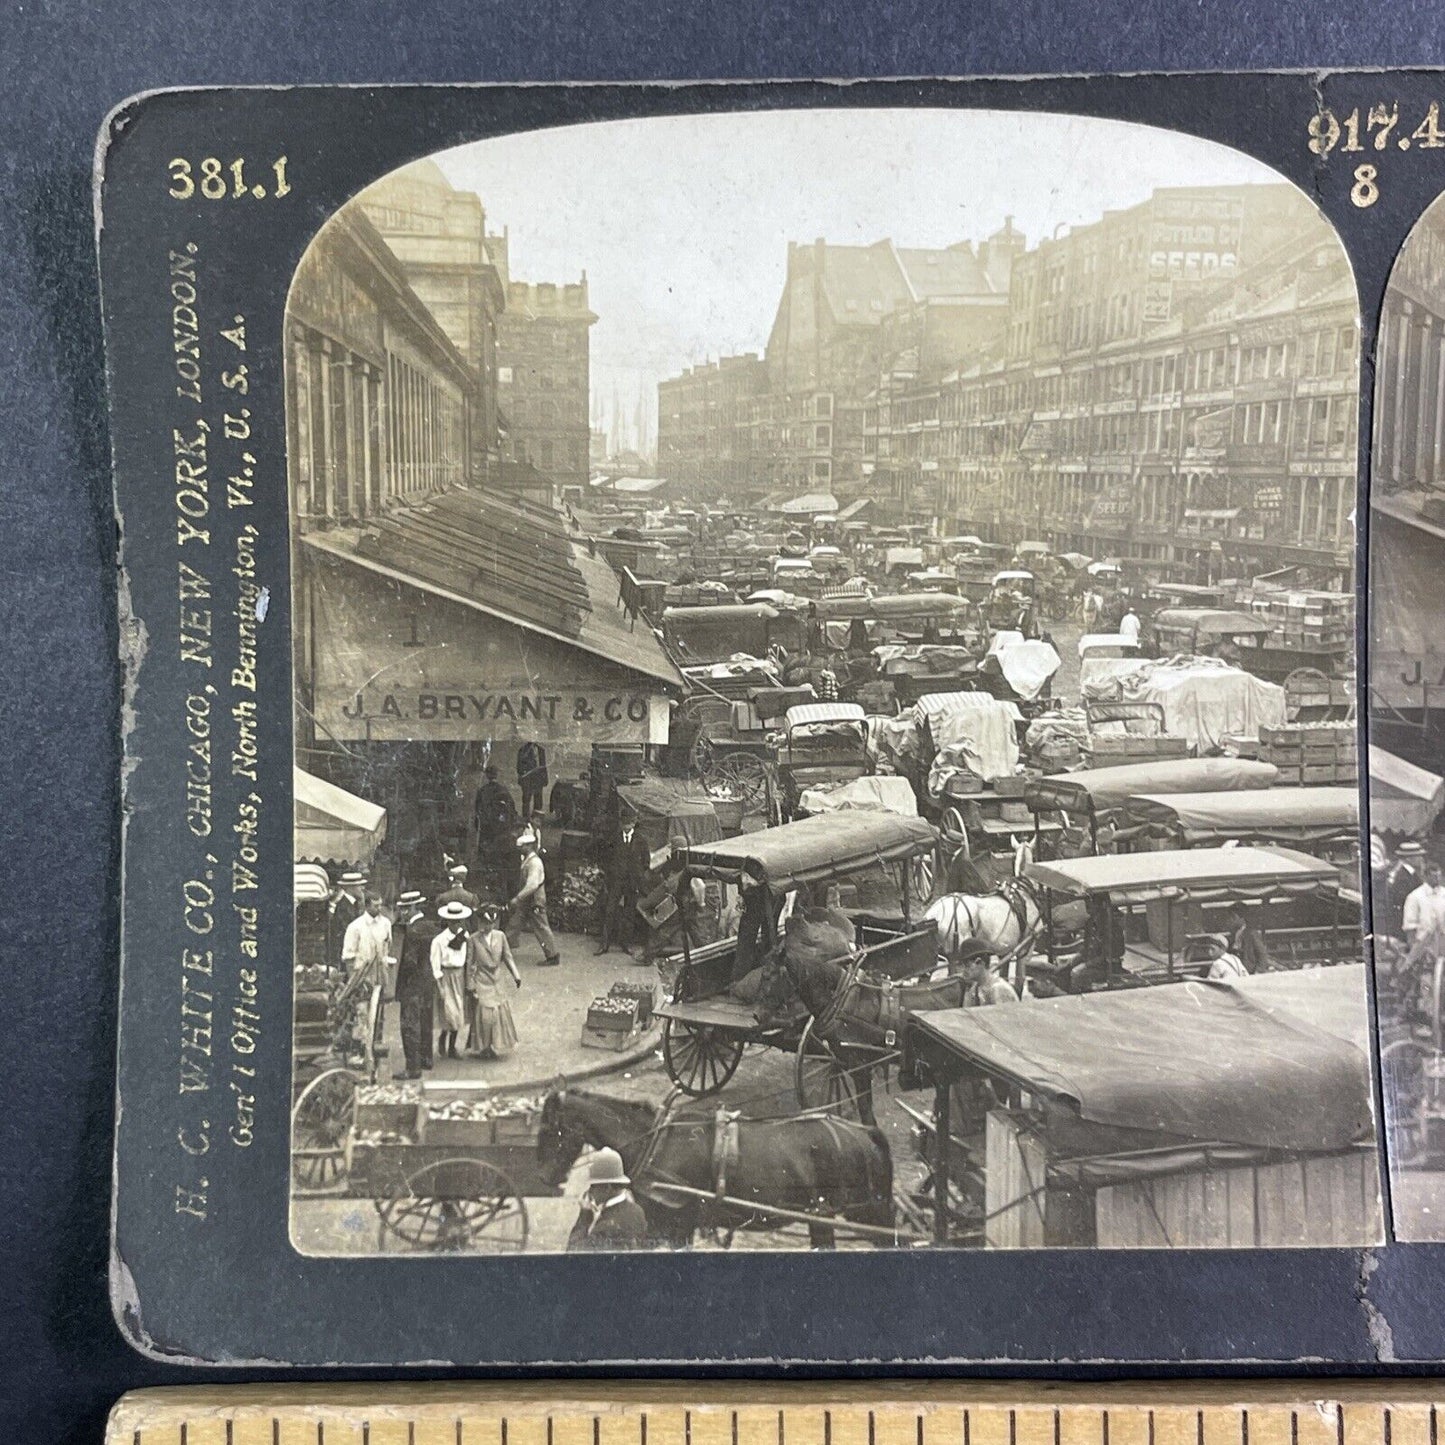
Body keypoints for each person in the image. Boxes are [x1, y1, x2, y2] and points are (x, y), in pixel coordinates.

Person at [565, 1147, 650, 1252]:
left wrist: (584, 1214)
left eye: (594, 1186)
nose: (590, 1191)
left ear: (607, 1188)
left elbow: (573, 1252)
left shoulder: (607, 1226)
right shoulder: (637, 1211)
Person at [467, 903, 522, 1059]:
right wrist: (470, 985)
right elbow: (470, 964)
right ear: (479, 922)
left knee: (498, 1015)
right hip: (482, 980)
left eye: (491, 923)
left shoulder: (500, 936)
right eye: (484, 923)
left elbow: (507, 956)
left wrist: (516, 975)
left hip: (497, 980)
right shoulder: (473, 939)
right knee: (485, 1016)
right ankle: (484, 1047)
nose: (487, 926)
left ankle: (494, 1045)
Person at [393, 890, 437, 1079]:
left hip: (412, 984)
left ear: (412, 908)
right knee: (426, 1020)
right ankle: (427, 1059)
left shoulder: (412, 931)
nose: (402, 913)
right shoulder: (430, 926)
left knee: (410, 1024)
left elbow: (410, 962)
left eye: (404, 910)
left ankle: (413, 1067)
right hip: (428, 981)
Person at [598, 815, 651, 955]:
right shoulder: (614, 838)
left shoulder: (641, 840)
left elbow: (646, 860)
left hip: (632, 883)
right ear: (621, 824)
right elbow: (605, 857)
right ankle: (604, 944)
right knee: (610, 911)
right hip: (616, 881)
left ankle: (625, 944)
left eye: (629, 824)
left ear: (634, 824)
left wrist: (638, 874)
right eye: (624, 824)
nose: (626, 827)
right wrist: (610, 874)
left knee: (629, 913)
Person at [509, 828, 562, 967]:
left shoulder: (534, 863)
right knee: (514, 923)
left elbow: (532, 885)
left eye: (522, 847)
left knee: (541, 926)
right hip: (528, 899)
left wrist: (518, 898)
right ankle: (504, 949)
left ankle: (553, 955)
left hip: (534, 899)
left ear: (529, 846)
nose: (520, 849)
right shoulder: (528, 859)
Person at [431, 901, 474, 1060]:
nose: (457, 925)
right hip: (447, 976)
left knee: (459, 1012)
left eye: (459, 921)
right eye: (453, 922)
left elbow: (469, 957)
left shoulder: (465, 936)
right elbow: (435, 965)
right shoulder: (439, 940)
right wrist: (440, 986)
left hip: (460, 976)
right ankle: (443, 1037)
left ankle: (452, 1046)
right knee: (450, 1012)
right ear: (448, 922)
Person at [473, 764, 520, 896]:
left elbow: (477, 812)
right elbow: (512, 810)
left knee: (488, 854)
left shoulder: (482, 791)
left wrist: (479, 826)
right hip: (501, 829)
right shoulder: (503, 790)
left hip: (487, 828)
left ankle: (490, 877)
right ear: (496, 775)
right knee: (501, 854)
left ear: (487, 776)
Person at [341, 892, 392, 984]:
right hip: (361, 975)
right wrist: (353, 981)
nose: (379, 909)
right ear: (367, 906)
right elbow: (348, 957)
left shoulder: (386, 923)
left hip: (381, 974)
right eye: (376, 906)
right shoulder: (355, 926)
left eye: (380, 905)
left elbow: (388, 946)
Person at [1384, 840, 1428, 939]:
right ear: (1409, 858)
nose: (1421, 859)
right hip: (1403, 919)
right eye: (1418, 856)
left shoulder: (1412, 874)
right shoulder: (1402, 876)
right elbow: (1403, 898)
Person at [1403, 858, 1445, 958]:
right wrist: (1414, 951)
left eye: (1439, 875)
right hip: (1423, 946)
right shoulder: (1415, 897)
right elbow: (1410, 927)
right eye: (1434, 876)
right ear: (1425, 876)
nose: (1437, 879)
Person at [957, 938, 1019, 1006]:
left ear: (980, 962)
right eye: (961, 966)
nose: (963, 970)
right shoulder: (974, 989)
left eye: (967, 965)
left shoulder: (998, 989)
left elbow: (1003, 1016)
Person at [1225, 905, 1271, 975]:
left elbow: (1262, 954)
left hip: (1250, 972)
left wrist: (1258, 971)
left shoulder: (1251, 933)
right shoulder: (1233, 934)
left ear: (1242, 918)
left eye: (1233, 917)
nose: (1230, 920)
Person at [517, 741, 550, 820]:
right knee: (526, 799)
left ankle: (537, 818)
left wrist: (545, 778)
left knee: (538, 799)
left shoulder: (541, 750)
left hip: (538, 779)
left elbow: (543, 766)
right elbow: (519, 767)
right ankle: (526, 819)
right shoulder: (523, 750)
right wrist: (524, 776)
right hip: (527, 780)